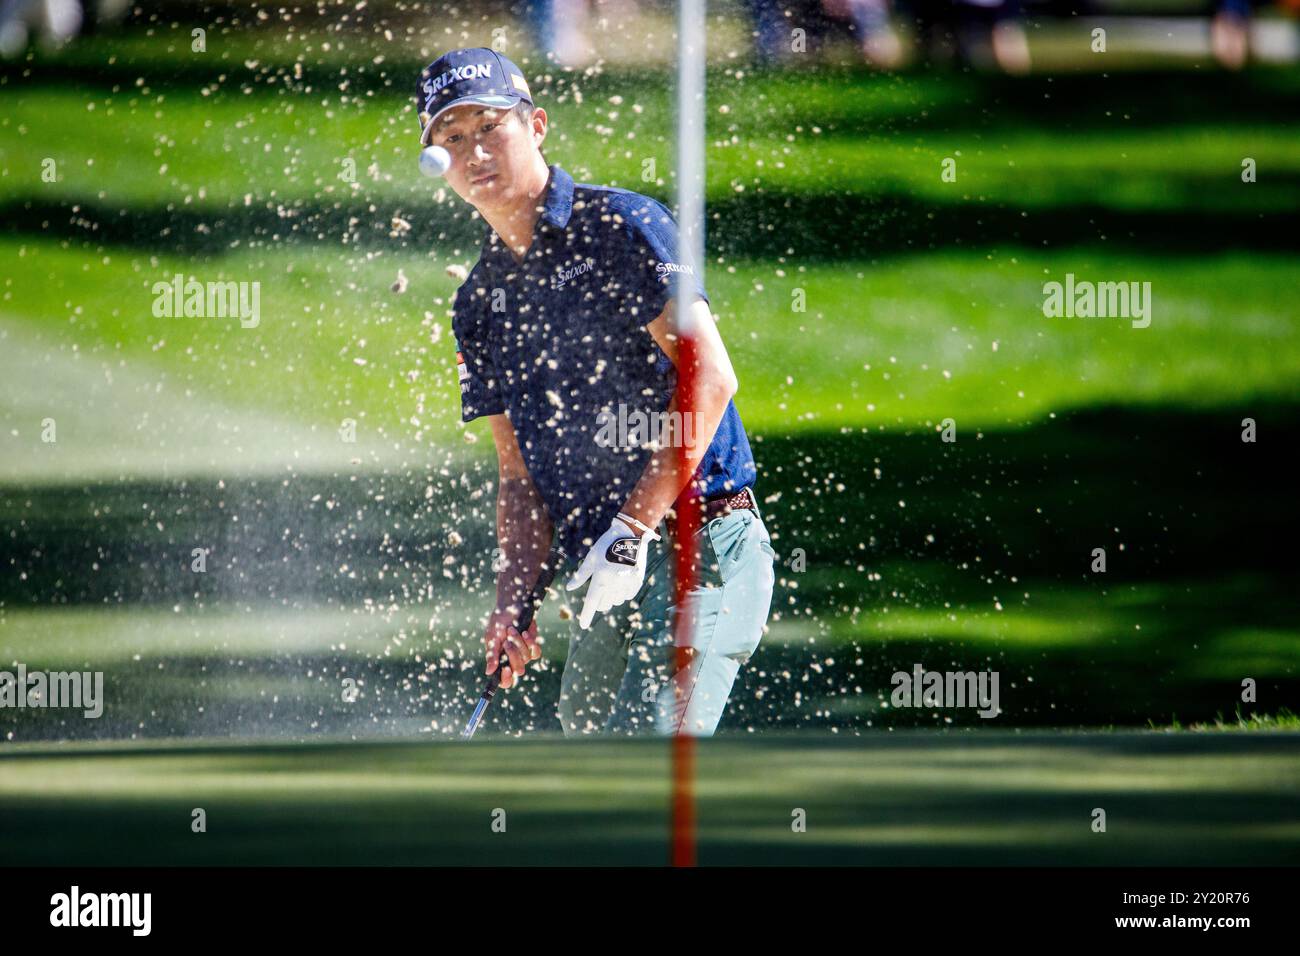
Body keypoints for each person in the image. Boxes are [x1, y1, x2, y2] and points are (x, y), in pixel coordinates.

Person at [416, 48, 776, 736]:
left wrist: (631, 530)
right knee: (585, 751)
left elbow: (711, 378)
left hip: (698, 538)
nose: (475, 150)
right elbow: (519, 478)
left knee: (651, 749)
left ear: (538, 125)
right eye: (452, 138)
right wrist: (513, 603)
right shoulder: (479, 302)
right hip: (603, 565)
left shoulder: (622, 227)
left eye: (490, 126)